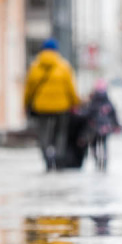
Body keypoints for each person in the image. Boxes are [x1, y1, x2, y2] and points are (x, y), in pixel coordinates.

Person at [25, 38, 80, 171]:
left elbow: (29, 89)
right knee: (60, 134)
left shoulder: (35, 66)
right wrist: (75, 103)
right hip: (62, 107)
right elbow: (71, 88)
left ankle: (47, 159)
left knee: (43, 134)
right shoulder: (63, 66)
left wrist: (26, 104)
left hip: (41, 107)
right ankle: (59, 158)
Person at [86, 79, 120, 172]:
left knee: (94, 145)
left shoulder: (93, 102)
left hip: (95, 127)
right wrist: (116, 125)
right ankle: (103, 161)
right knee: (104, 144)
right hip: (105, 127)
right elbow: (114, 114)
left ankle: (98, 160)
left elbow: (88, 114)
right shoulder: (108, 102)